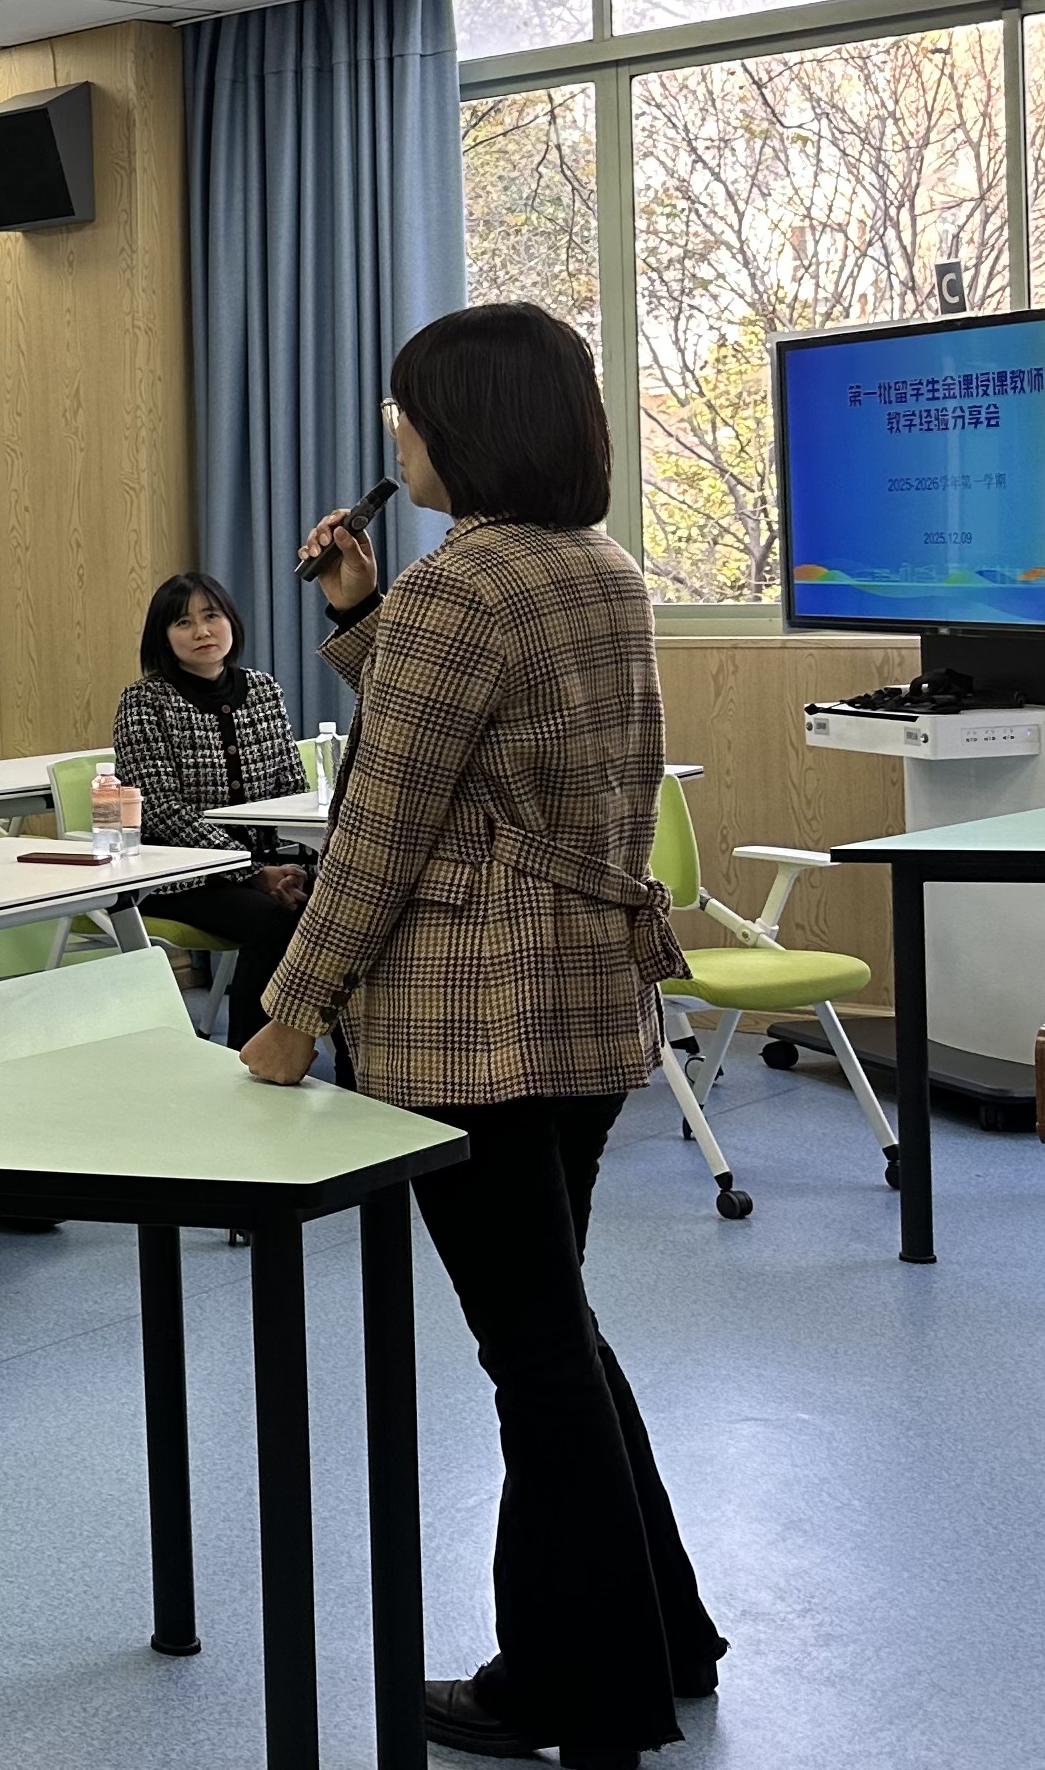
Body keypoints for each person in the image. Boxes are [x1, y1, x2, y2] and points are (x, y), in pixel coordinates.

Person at [246, 302, 720, 1769]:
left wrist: (293, 1009)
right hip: (585, 1001)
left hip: (475, 1019)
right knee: (556, 1325)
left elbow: (384, 826)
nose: (397, 436)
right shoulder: (595, 565)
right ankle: (667, 1635)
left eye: (411, 413)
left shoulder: (465, 589)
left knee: (533, 1354)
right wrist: (362, 614)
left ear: (472, 425)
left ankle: (574, 1690)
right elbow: (487, 737)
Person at [111, 574, 314, 1048]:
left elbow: (292, 788)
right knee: (274, 921)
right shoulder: (145, 700)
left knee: (341, 911)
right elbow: (159, 809)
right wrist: (252, 871)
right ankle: (250, 1055)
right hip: (177, 875)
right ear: (162, 636)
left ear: (231, 622)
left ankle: (350, 1064)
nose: (202, 631)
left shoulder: (263, 689)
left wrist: (291, 868)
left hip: (264, 868)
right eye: (183, 622)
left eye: (211, 616)